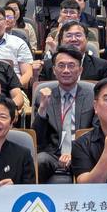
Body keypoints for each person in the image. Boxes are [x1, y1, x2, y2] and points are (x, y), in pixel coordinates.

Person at [33, 46, 96, 184]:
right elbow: (37, 139)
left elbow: (96, 131)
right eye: (61, 66)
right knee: (40, 160)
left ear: (80, 70)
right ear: (54, 71)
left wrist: (76, 153)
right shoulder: (42, 95)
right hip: (53, 155)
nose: (66, 70)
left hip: (84, 152)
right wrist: (43, 108)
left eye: (71, 66)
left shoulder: (92, 96)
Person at [36, 21, 107, 81]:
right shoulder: (48, 66)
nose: (73, 39)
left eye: (78, 35)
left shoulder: (100, 66)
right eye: (69, 36)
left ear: (86, 39)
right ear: (61, 41)